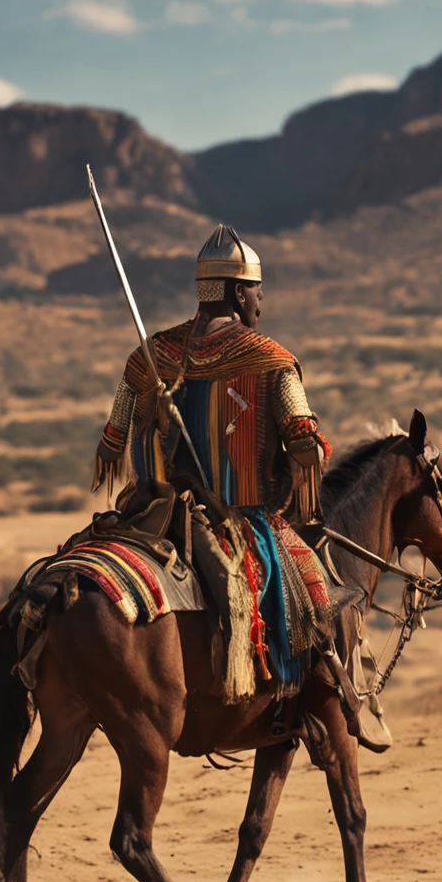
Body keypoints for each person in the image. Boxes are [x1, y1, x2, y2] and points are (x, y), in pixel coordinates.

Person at [93, 225, 333, 716]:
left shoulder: (148, 358)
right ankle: (301, 700)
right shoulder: (272, 360)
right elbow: (307, 446)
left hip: (148, 513)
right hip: (238, 516)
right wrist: (308, 451)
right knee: (316, 594)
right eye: (258, 292)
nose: (260, 305)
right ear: (239, 292)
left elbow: (112, 440)